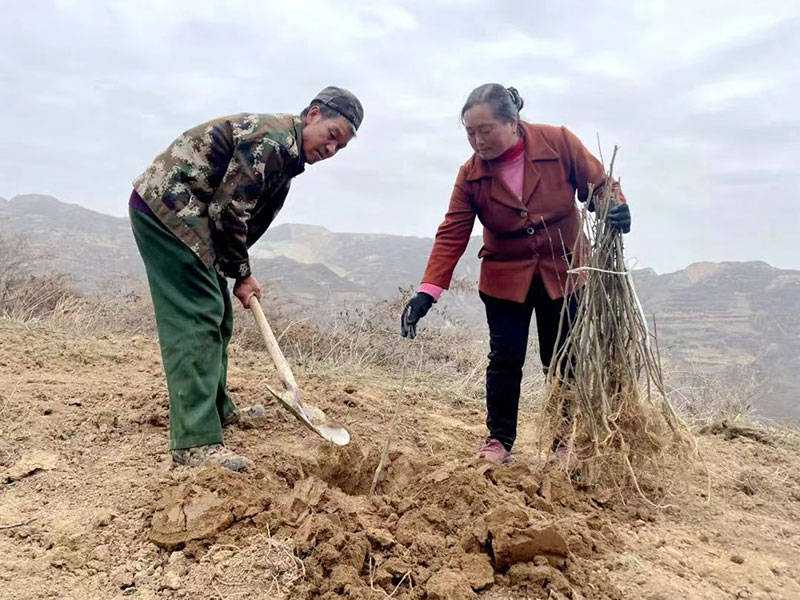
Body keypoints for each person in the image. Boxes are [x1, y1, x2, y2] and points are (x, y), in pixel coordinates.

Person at [130, 86, 363, 471]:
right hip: (168, 210)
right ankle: (195, 441)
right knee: (197, 319)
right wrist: (241, 273)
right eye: (332, 136)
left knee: (217, 316)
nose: (331, 150)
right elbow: (228, 211)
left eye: (340, 148)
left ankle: (217, 410)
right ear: (314, 115)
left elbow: (238, 215)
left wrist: (238, 272)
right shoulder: (271, 141)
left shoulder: (286, 157)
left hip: (192, 218)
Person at [400, 84, 630, 465]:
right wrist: (427, 292)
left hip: (565, 272)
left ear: (512, 121)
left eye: (484, 130)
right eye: (469, 133)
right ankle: (499, 440)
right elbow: (453, 232)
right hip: (505, 278)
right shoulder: (471, 175)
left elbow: (599, 186)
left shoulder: (558, 143)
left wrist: (615, 208)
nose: (477, 141)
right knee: (505, 359)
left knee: (563, 361)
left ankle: (562, 441)